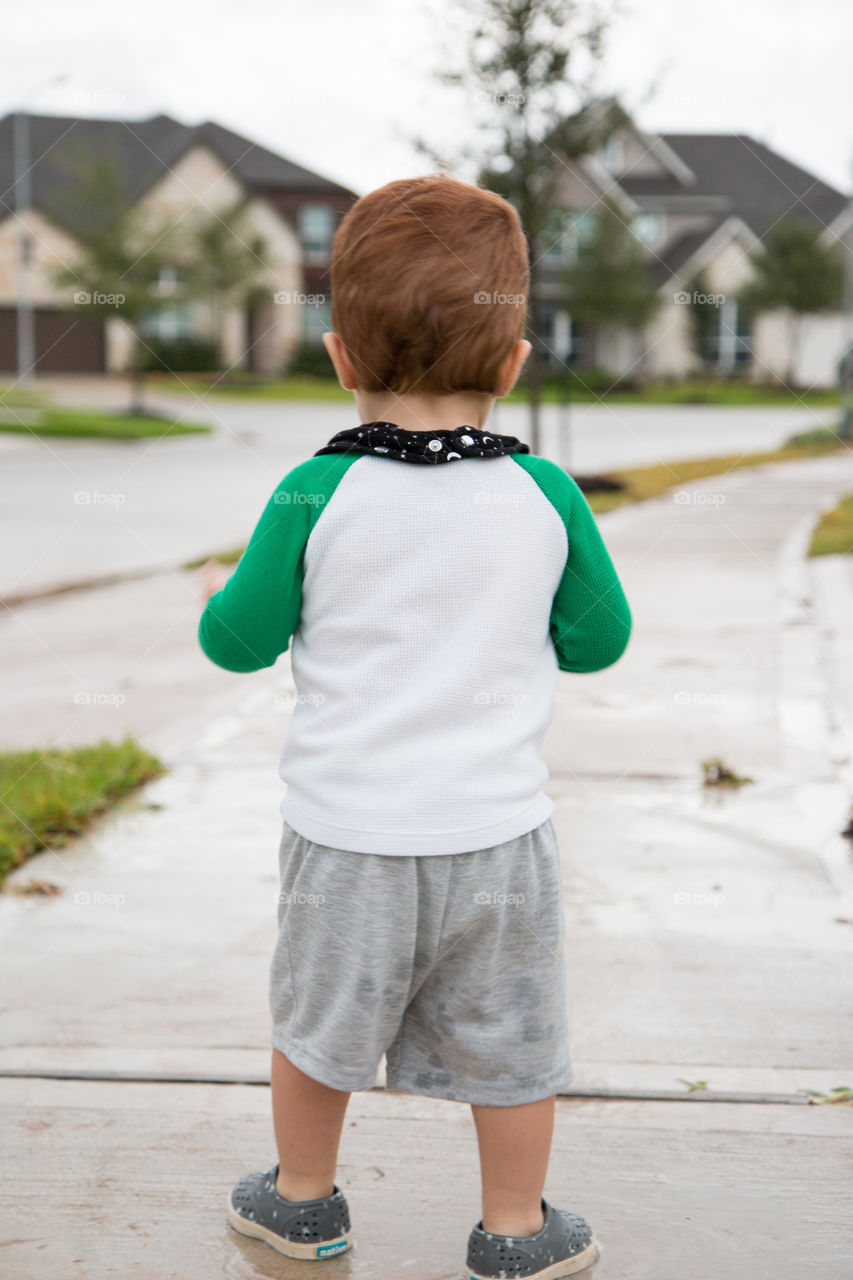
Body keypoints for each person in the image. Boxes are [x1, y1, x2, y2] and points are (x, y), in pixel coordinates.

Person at [198, 173, 631, 1278]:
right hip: (497, 842)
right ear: (514, 360)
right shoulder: (548, 495)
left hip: (349, 840)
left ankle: (299, 1203)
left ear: (341, 357)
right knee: (512, 1040)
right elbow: (599, 640)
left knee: (318, 1024)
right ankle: (517, 1229)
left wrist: (223, 588)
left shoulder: (310, 492)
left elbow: (236, 642)